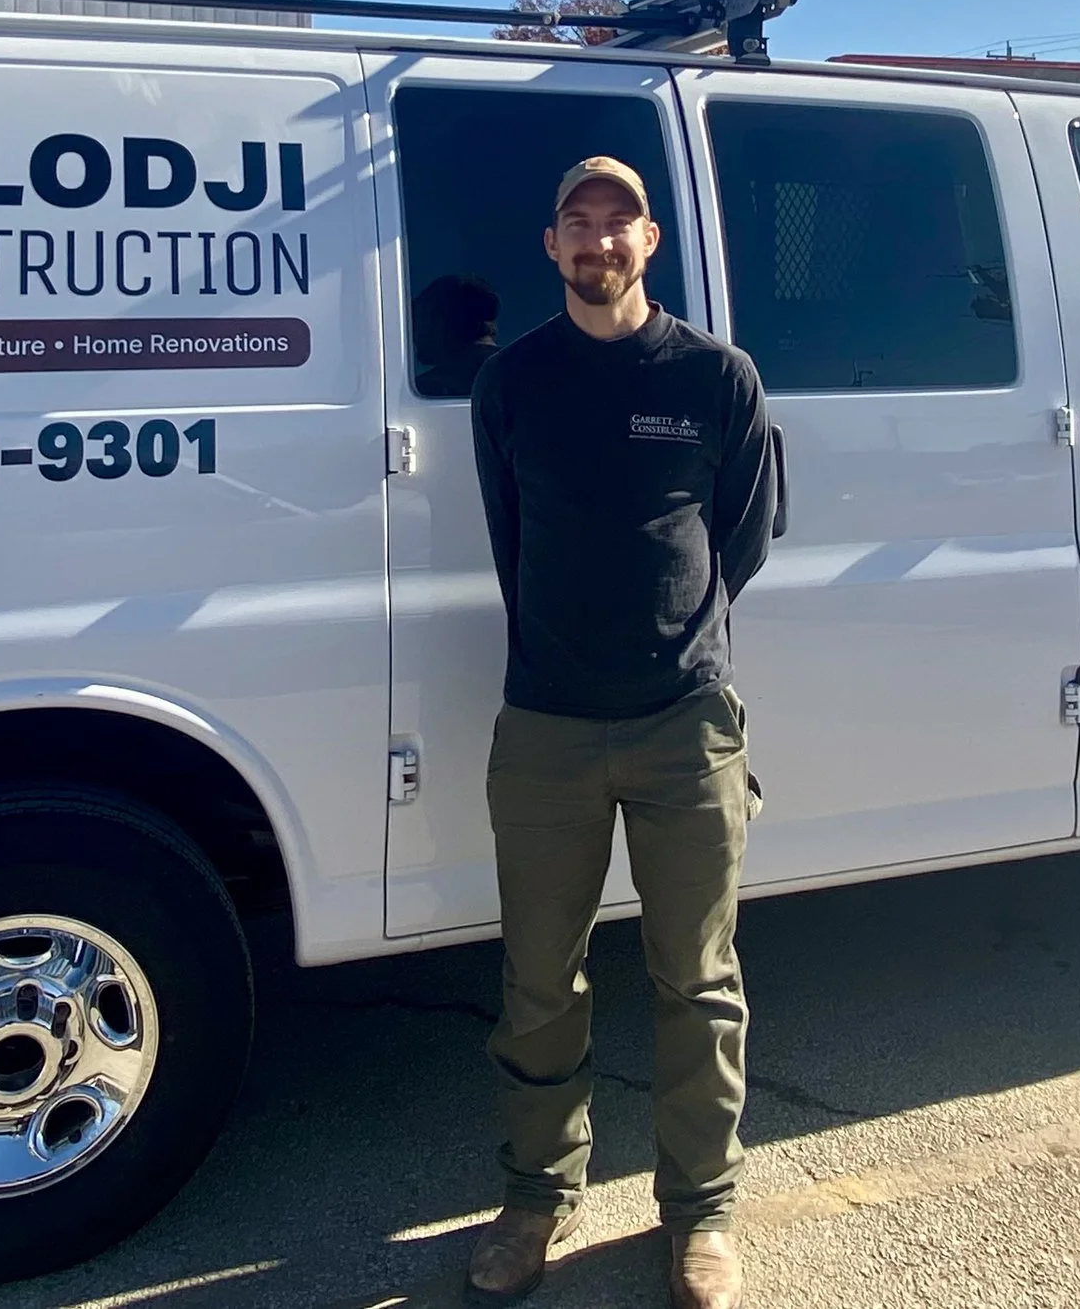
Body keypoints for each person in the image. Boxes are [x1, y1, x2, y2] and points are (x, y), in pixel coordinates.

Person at [462, 156, 775, 1309]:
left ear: (651, 241)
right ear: (551, 246)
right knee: (540, 980)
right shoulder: (512, 382)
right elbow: (509, 536)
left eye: (619, 221)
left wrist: (668, 643)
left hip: (684, 723)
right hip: (546, 726)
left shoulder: (714, 376)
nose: (599, 240)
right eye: (577, 223)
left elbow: (743, 533)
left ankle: (701, 1213)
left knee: (697, 981)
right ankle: (535, 1196)